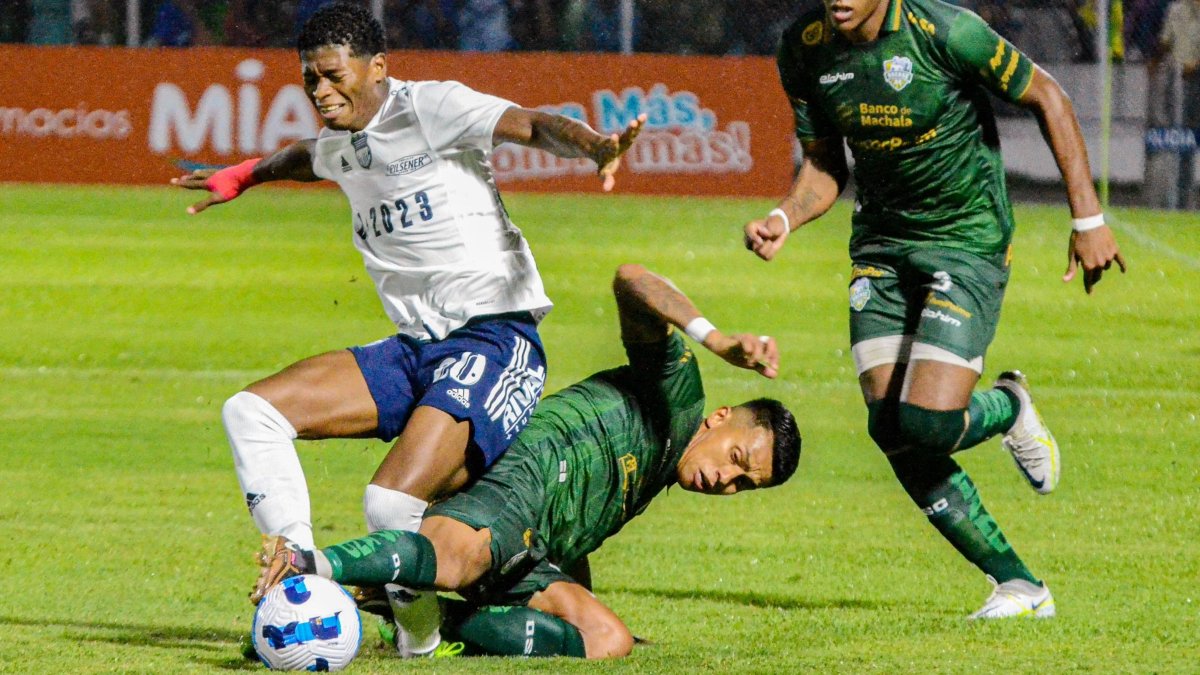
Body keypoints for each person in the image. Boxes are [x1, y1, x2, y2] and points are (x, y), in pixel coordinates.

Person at [172, 1, 644, 657]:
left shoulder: (431, 107)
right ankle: (295, 572)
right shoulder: (342, 143)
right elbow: (308, 157)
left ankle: (420, 640)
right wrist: (247, 175)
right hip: (415, 349)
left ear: (378, 68)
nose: (320, 91)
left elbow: (529, 124)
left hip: (496, 339)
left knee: (389, 503)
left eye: (333, 75)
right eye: (310, 79)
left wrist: (592, 145)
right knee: (251, 412)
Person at [743, 0, 1126, 618]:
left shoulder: (947, 31)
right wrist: (784, 217)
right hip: (881, 247)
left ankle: (1008, 406)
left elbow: (1049, 96)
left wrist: (1088, 220)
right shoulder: (804, 47)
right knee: (890, 427)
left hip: (966, 239)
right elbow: (823, 163)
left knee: (925, 422)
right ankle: (1019, 586)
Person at [250, 263, 802, 658]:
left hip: (530, 548)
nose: (724, 479)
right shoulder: (678, 395)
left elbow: (574, 535)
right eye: (735, 457)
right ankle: (304, 564)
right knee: (456, 562)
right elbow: (633, 279)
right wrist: (713, 338)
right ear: (720, 418)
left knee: (609, 639)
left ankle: (427, 617)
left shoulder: (659, 471)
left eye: (742, 484)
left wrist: (576, 601)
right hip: (517, 478)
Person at [1155, 0, 1200, 207]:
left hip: (1195, 77)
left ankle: (1183, 194)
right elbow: (1165, 41)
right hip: (1178, 80)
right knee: (1181, 138)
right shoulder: (1177, 10)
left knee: (1189, 138)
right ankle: (1177, 197)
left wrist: (1195, 63)